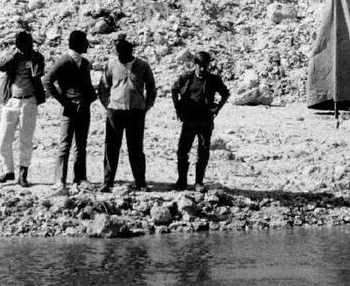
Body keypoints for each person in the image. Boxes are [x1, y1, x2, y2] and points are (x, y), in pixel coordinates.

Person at [97, 34, 156, 192]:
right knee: (111, 148)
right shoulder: (110, 65)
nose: (121, 57)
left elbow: (151, 88)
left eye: (124, 54)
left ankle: (140, 182)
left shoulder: (143, 65)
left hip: (136, 113)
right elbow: (103, 88)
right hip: (115, 112)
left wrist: (146, 106)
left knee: (136, 148)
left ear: (131, 51)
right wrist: (108, 105)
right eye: (119, 54)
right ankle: (108, 182)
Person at [43, 29, 96, 193]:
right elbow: (47, 81)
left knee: (81, 144)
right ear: (78, 44)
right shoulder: (64, 61)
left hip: (83, 107)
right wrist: (64, 101)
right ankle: (59, 180)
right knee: (65, 144)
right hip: (70, 108)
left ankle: (80, 178)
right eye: (85, 41)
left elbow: (87, 84)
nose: (87, 45)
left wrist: (89, 99)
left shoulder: (85, 63)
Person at [170, 51, 230, 190]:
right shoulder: (186, 77)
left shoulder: (214, 79)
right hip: (189, 120)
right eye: (200, 65)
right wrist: (177, 108)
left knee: (203, 151)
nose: (203, 69)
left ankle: (199, 182)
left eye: (205, 66)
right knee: (182, 151)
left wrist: (217, 109)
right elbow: (174, 89)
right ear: (195, 64)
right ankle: (182, 182)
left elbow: (225, 93)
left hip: (205, 121)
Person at [0, 31, 46, 187]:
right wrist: (14, 55)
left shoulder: (36, 57)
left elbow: (39, 71)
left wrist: (30, 59)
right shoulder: (12, 56)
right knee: (4, 137)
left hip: (28, 101)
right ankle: (8, 170)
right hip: (11, 101)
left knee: (26, 140)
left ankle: (23, 173)